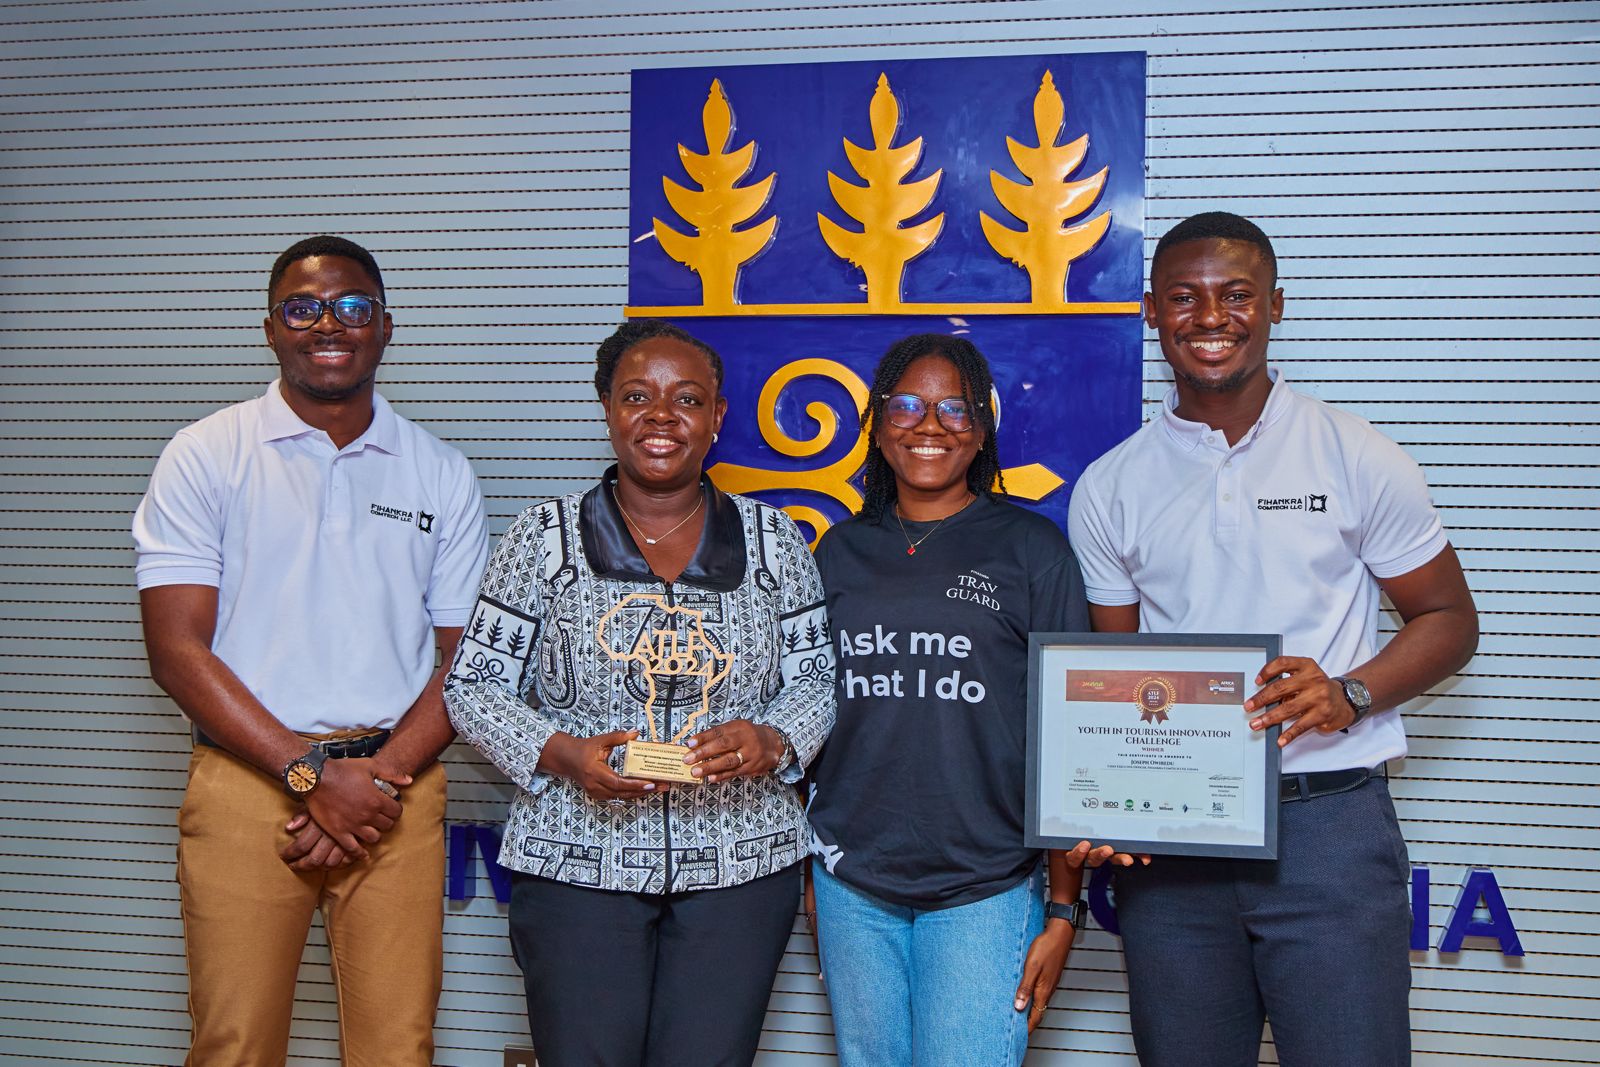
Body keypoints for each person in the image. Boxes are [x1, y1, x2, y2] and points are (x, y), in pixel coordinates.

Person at [1067, 212, 1480, 1066]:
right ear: (1152, 312)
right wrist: (1104, 803)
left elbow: (1450, 620)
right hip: (1176, 850)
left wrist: (1351, 690)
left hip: (1325, 826)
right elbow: (1114, 677)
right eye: (1184, 297)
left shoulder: (1355, 452)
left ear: (1276, 306)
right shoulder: (1112, 486)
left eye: (1235, 295)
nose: (1209, 316)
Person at [133, 235, 489, 1066]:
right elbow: (177, 652)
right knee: (235, 1045)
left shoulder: (440, 472)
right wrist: (309, 775)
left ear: (387, 327)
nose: (329, 323)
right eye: (304, 307)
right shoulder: (205, 455)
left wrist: (374, 779)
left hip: (393, 793)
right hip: (245, 786)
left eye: (353, 307)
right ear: (269, 328)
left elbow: (464, 662)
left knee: (397, 1049)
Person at [443, 318, 836, 1067]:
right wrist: (561, 753)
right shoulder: (541, 538)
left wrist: (772, 738)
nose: (662, 416)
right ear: (606, 408)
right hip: (576, 865)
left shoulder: (775, 541)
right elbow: (474, 686)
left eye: (687, 398)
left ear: (717, 417)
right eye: (637, 396)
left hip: (739, 867)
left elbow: (817, 681)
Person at [805, 333, 1129, 1067]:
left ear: (982, 430)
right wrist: (812, 874)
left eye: (955, 407)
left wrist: (1060, 907)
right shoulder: (838, 550)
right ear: (878, 424)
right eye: (908, 405)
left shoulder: (1031, 548)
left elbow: (1068, 730)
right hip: (853, 882)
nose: (930, 423)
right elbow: (811, 720)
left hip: (984, 886)